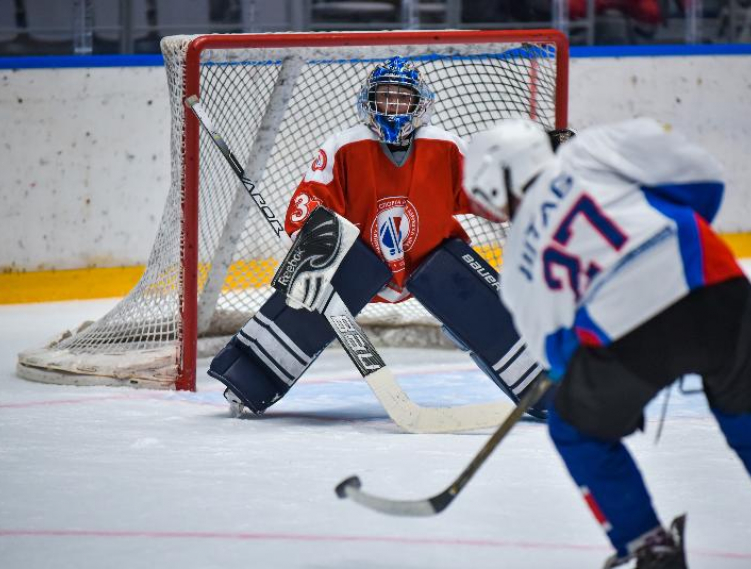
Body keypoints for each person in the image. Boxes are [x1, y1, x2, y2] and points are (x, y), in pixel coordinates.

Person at [462, 117, 751, 568]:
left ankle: (650, 546)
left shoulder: (518, 271)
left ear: (491, 184)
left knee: (575, 430)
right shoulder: (591, 150)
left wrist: (595, 370)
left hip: (632, 341)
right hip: (720, 294)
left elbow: (558, 354)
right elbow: (704, 178)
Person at [209, 57, 550, 420]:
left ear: (419, 103)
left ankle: (546, 387)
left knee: (486, 309)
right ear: (369, 101)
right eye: (385, 97)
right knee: (308, 294)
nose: (393, 106)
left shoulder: (445, 145)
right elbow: (309, 199)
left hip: (431, 259)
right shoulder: (345, 145)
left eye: (401, 98)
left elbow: (491, 192)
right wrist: (309, 239)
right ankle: (247, 379)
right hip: (357, 262)